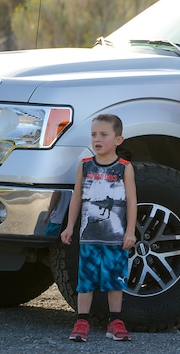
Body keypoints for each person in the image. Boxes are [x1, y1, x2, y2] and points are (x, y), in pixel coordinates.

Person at [60, 114, 137, 343]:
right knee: (86, 280)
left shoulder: (125, 168)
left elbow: (132, 201)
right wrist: (70, 226)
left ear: (118, 139)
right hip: (88, 237)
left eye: (104, 134)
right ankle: (82, 320)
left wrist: (130, 231)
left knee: (115, 280)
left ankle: (115, 321)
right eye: (94, 134)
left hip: (115, 238)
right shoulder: (85, 165)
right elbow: (77, 198)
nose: (97, 139)